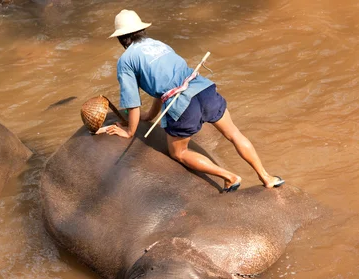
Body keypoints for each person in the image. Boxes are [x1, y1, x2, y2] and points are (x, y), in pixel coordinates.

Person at [105, 9, 285, 191]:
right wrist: (150, 115)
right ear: (141, 30)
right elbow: (164, 90)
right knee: (234, 134)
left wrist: (129, 131)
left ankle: (229, 177)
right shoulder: (158, 44)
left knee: (178, 153)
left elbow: (133, 103)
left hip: (183, 103)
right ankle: (266, 176)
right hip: (203, 88)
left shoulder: (126, 60)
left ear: (121, 38)